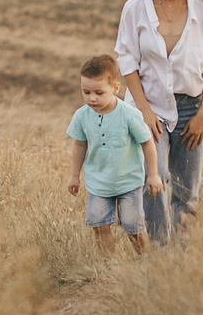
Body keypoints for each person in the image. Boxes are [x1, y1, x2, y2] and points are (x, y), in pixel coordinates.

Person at [114, 0, 203, 245]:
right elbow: (127, 60)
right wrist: (144, 111)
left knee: (186, 191)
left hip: (192, 107)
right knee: (155, 179)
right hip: (148, 105)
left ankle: (180, 258)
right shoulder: (135, 8)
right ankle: (159, 251)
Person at [66, 53, 161, 258]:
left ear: (115, 88)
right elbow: (79, 145)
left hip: (128, 181)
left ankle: (144, 260)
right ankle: (109, 266)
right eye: (86, 92)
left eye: (99, 92)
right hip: (98, 182)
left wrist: (153, 174)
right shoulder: (81, 115)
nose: (92, 98)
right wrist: (74, 175)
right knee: (99, 224)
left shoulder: (129, 115)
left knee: (132, 225)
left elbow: (147, 142)